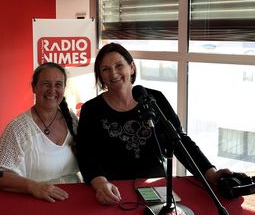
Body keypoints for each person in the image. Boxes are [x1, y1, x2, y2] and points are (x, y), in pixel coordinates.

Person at [76, 43, 232, 205]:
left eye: (118, 65)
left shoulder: (154, 99)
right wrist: (100, 184)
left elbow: (179, 141)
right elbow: (85, 155)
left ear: (131, 67)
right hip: (113, 192)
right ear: (100, 75)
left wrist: (210, 172)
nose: (113, 73)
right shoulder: (91, 109)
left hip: (157, 187)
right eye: (105, 69)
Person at [0, 62, 81, 202]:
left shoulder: (71, 120)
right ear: (34, 87)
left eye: (58, 85)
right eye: (46, 84)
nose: (52, 90)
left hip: (74, 198)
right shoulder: (18, 128)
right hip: (35, 201)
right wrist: (33, 186)